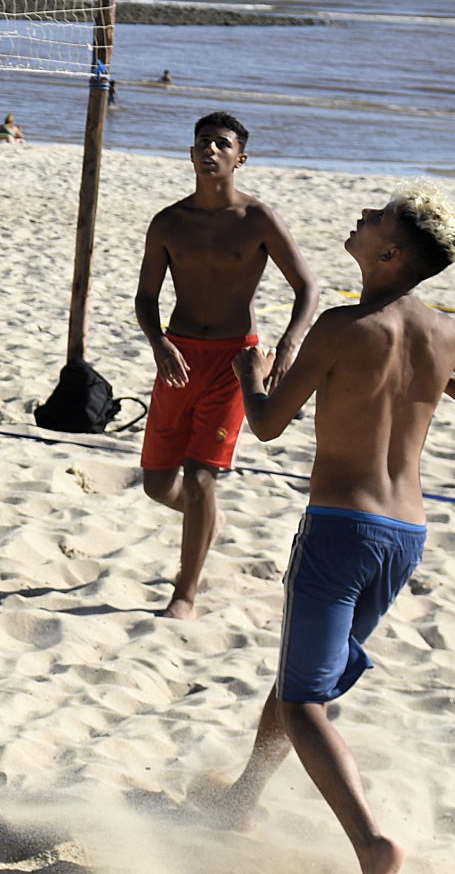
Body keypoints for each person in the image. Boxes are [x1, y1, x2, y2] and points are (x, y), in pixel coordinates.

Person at [200, 185, 455, 874]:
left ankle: (371, 844)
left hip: (341, 527)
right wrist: (435, 384)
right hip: (404, 535)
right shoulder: (446, 333)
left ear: (391, 255)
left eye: (376, 218)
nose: (362, 216)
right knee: (297, 683)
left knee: (307, 698)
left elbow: (271, 425)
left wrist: (251, 369)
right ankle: (244, 798)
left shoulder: (345, 327)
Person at [135, 112, 323, 619]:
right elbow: (146, 296)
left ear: (240, 158)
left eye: (221, 144)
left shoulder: (257, 218)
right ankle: (206, 520)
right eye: (202, 142)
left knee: (200, 479)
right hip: (178, 356)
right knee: (157, 483)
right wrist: (157, 342)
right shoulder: (169, 222)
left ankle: (185, 595)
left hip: (237, 361)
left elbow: (308, 287)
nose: (209, 150)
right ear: (191, 153)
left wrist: (286, 347)